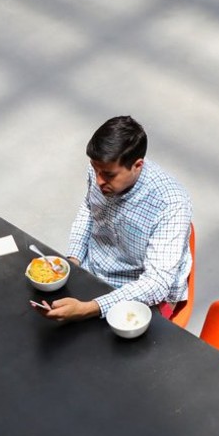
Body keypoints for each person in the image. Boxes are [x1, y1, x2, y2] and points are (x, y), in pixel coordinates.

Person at [40, 115, 193, 322]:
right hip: (95, 272)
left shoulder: (171, 203)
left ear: (137, 165)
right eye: (95, 170)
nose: (99, 180)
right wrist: (73, 261)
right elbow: (88, 209)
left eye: (109, 175)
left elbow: (156, 282)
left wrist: (89, 308)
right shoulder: (102, 168)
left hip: (145, 294)